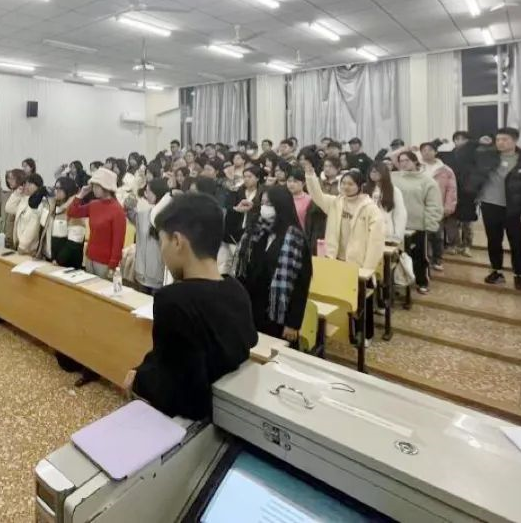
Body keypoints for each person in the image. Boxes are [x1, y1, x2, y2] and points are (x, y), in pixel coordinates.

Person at [125, 193, 258, 420]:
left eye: (162, 242)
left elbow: (178, 390)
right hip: (231, 414)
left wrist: (139, 380)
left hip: (193, 422)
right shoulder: (237, 289)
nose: (162, 252)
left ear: (177, 241)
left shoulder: (174, 300)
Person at [305, 164, 386, 344]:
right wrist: (310, 176)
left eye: (350, 184)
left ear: (360, 186)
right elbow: (317, 196)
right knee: (341, 298)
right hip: (336, 258)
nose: (346, 187)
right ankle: (347, 332)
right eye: (343, 183)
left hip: (358, 263)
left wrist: (368, 268)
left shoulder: (370, 208)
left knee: (362, 300)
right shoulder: (336, 202)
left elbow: (376, 241)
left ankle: (366, 334)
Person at [468, 127, 521, 289]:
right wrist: (477, 142)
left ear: (515, 141)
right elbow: (462, 154)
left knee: (517, 243)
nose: (500, 143)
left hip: (515, 210)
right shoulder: (487, 157)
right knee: (493, 241)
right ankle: (496, 271)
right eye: (498, 140)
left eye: (505, 139)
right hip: (490, 205)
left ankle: (519, 274)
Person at [235, 185, 313, 344]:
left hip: (278, 314)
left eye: (269, 204)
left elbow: (301, 285)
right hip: (252, 306)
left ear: (281, 205)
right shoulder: (257, 231)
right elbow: (245, 269)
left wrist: (292, 323)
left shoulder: (295, 239)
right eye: (262, 203)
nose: (264, 208)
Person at [392, 151, 443, 294]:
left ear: (415, 161)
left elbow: (433, 205)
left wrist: (431, 224)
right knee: (398, 256)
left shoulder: (427, 181)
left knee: (419, 256)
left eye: (407, 160)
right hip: (397, 225)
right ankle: (400, 281)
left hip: (417, 225)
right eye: (401, 161)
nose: (404, 163)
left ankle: (422, 281)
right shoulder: (394, 177)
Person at [68, 167, 127, 279]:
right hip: (89, 258)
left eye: (96, 186)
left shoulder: (117, 210)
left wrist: (112, 265)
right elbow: (72, 212)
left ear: (106, 187)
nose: (93, 189)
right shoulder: (94, 204)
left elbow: (118, 242)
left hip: (105, 263)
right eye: (93, 185)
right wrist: (81, 194)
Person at [126, 178, 170, 294]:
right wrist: (129, 205)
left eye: (148, 191)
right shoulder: (145, 213)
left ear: (157, 192)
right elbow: (133, 216)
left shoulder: (167, 216)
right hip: (141, 273)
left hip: (158, 275)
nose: (146, 194)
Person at [419, 142, 457, 271]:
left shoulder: (445, 170)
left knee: (436, 234)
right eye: (423, 150)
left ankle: (437, 259)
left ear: (436, 152)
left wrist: (448, 206)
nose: (426, 152)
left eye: (430, 150)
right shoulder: (417, 167)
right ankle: (424, 260)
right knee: (421, 235)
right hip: (419, 205)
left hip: (436, 206)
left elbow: (452, 190)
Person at [439, 131, 478, 256]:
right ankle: (454, 244)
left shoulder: (475, 155)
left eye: (464, 139)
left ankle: (467, 245)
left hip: (468, 192)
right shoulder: (447, 155)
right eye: (457, 138)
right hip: (451, 191)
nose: (460, 141)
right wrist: (439, 141)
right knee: (451, 220)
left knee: (467, 221)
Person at [39, 177, 84, 268]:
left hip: (65, 263)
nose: (56, 191)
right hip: (48, 258)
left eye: (60, 189)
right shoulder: (52, 206)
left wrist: (59, 260)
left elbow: (74, 242)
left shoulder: (74, 211)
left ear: (69, 190)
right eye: (55, 188)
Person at [369, 162, 407, 243]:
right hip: (368, 231)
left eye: (376, 171)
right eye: (372, 171)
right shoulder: (364, 189)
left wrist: (398, 235)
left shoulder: (394, 191)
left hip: (386, 231)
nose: (374, 174)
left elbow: (400, 214)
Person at [14, 173, 48, 255]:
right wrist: (17, 193)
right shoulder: (25, 199)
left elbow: (33, 226)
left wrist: (22, 245)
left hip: (29, 249)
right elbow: (8, 208)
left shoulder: (40, 203)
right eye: (26, 184)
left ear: (38, 186)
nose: (27, 186)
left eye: (30, 184)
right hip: (19, 244)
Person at [1, 169, 26, 248]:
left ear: (19, 179)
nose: (9, 181)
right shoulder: (13, 193)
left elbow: (9, 208)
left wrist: (17, 193)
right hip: (8, 233)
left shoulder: (21, 195)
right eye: (9, 178)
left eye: (12, 179)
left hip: (17, 237)